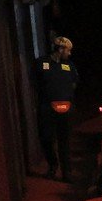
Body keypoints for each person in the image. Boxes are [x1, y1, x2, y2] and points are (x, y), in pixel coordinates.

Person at [36, 35, 77, 180]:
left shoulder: (69, 65)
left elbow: (74, 83)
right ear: (60, 49)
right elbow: (35, 83)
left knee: (64, 140)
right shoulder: (41, 63)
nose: (70, 53)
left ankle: (67, 172)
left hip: (65, 109)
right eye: (68, 50)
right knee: (47, 138)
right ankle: (53, 166)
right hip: (47, 108)